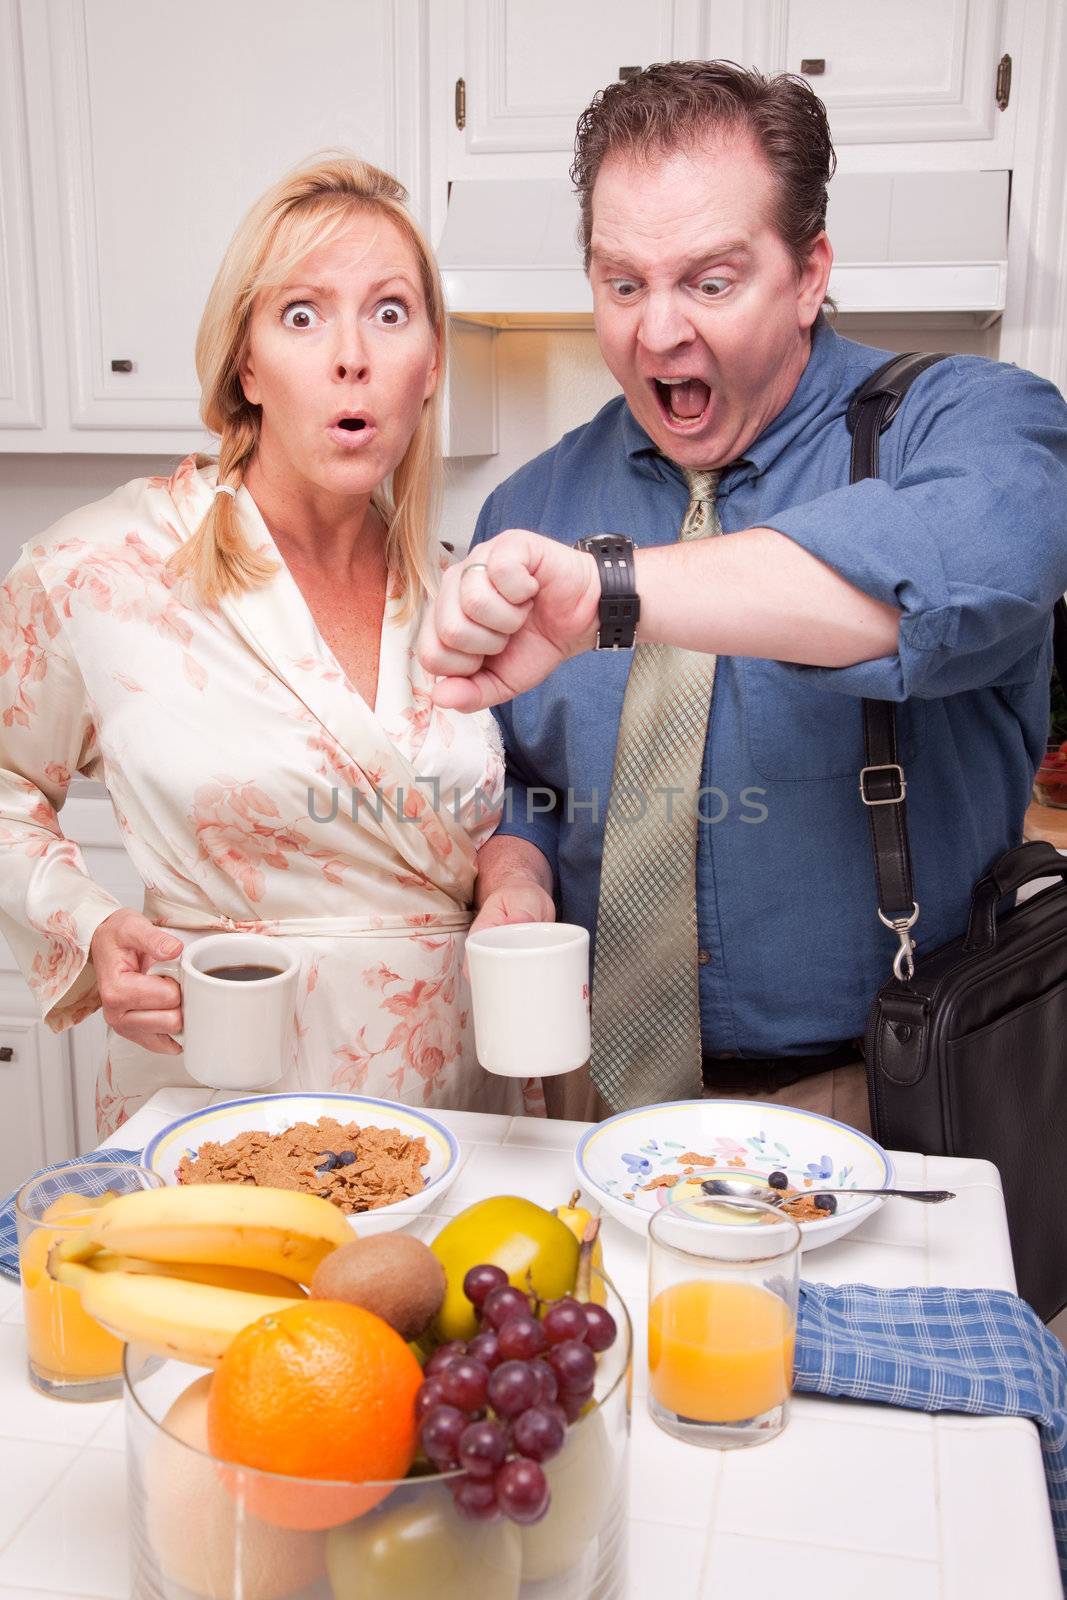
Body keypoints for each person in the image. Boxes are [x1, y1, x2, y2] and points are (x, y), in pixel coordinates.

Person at [418, 61, 1067, 1130]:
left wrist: (611, 594)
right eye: (621, 284)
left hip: (885, 1098)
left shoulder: (971, 425)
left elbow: (945, 586)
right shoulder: (532, 504)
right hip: (590, 1098)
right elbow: (522, 774)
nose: (656, 332)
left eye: (708, 282)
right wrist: (513, 873)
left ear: (808, 273)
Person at [0, 155, 532, 1137]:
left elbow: (484, 824)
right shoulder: (102, 568)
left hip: (454, 1114)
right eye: (301, 314)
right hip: (218, 1108)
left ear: (430, 363)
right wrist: (90, 927)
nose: (350, 355)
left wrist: (510, 871)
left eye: (388, 311)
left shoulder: (461, 595)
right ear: (244, 362)